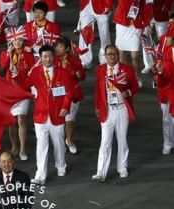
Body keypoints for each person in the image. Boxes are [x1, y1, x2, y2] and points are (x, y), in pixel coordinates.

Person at [23, 45, 73, 185]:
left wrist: (65, 107)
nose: (47, 59)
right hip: (40, 115)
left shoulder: (63, 73)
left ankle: (61, 165)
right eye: (44, 56)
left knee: (58, 144)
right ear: (40, 58)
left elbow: (69, 92)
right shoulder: (36, 72)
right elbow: (25, 85)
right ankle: (40, 175)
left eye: (50, 56)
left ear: (53, 57)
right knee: (41, 145)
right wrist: (15, 74)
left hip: (57, 114)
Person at [93, 44, 140, 182]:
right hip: (107, 109)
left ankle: (122, 167)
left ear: (118, 54)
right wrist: (97, 106)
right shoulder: (100, 70)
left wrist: (128, 92)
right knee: (105, 141)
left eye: (114, 54)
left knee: (122, 139)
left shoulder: (127, 69)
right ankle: (100, 172)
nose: (112, 56)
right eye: (109, 54)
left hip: (121, 108)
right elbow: (98, 89)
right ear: (105, 55)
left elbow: (135, 86)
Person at [0, 32, 35, 161]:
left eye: (19, 40)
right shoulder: (6, 54)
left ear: (23, 41)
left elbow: (31, 73)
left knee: (21, 119)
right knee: (12, 120)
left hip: (23, 90)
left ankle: (22, 149)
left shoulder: (28, 56)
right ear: (11, 42)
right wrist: (8, 54)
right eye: (14, 40)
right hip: (9, 90)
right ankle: (14, 146)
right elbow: (2, 67)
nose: (17, 43)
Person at [54, 37, 86, 155]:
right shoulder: (52, 60)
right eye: (57, 46)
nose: (58, 48)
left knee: (70, 121)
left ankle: (69, 140)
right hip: (57, 94)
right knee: (59, 120)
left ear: (67, 48)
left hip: (72, 93)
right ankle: (60, 142)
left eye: (61, 46)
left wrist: (79, 74)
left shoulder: (75, 61)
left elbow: (82, 77)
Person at [113, 0, 149, 86]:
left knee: (135, 56)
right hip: (122, 24)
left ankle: (137, 77)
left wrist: (146, 23)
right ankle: (123, 76)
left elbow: (144, 7)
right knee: (121, 54)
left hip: (135, 26)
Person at [76, 0, 112, 69]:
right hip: (85, 5)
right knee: (85, 32)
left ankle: (105, 57)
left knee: (104, 33)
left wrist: (108, 4)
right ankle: (85, 60)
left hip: (102, 4)